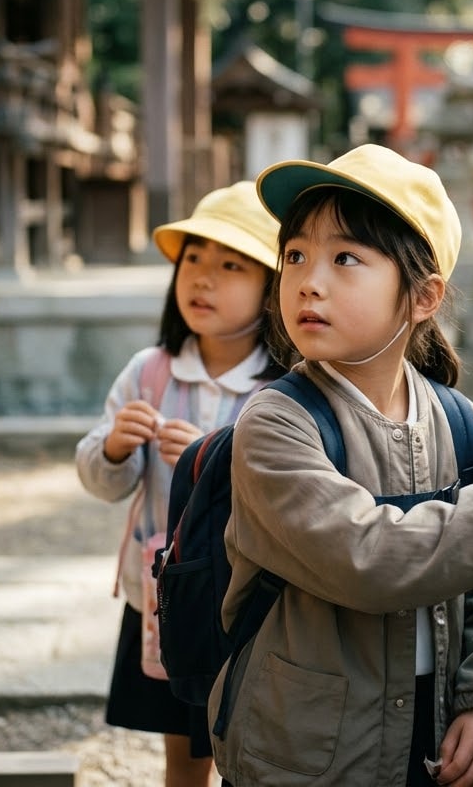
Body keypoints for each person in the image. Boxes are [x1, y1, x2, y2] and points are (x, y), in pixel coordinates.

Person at [207, 144, 473, 787]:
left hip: (433, 734)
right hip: (305, 753)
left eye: (346, 258)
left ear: (423, 296)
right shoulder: (276, 424)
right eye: (295, 256)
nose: (309, 279)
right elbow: (366, 557)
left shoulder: (463, 426)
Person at [76, 180, 285, 787]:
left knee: (249, 749)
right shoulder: (150, 372)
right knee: (183, 755)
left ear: (271, 288)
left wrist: (212, 455)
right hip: (166, 598)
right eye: (193, 259)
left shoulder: (280, 389)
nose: (203, 279)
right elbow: (101, 478)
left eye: (230, 266)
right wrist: (116, 445)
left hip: (252, 601)